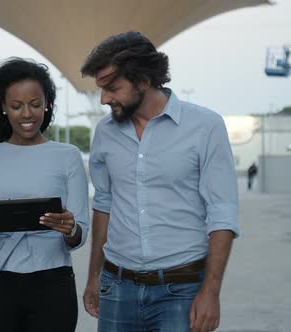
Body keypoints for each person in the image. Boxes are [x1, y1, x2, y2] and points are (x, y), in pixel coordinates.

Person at [81, 32, 239, 332]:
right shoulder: (105, 132)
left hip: (181, 289)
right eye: (101, 89)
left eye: (113, 88)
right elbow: (104, 204)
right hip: (116, 287)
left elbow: (223, 212)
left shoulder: (205, 127)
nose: (104, 99)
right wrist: (94, 277)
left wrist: (211, 292)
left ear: (143, 80)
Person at [0, 58, 90, 332]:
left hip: (53, 283)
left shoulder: (68, 156)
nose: (27, 114)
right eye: (16, 106)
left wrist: (70, 228)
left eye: (35, 104)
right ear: (4, 108)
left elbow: (78, 236)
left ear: (47, 104)